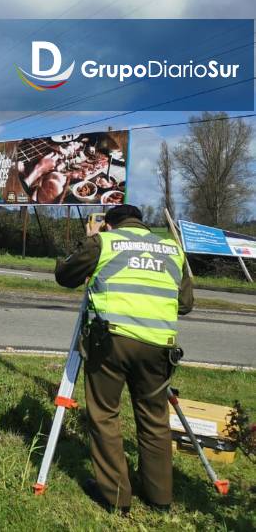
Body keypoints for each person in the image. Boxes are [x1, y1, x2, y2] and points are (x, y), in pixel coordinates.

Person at [55, 204, 194, 514]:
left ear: (110, 224)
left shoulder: (105, 242)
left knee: (105, 415)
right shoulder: (172, 249)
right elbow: (185, 304)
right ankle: (159, 497)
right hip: (159, 347)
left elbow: (65, 275)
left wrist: (89, 239)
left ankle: (116, 497)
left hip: (111, 342)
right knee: (154, 419)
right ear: (140, 222)